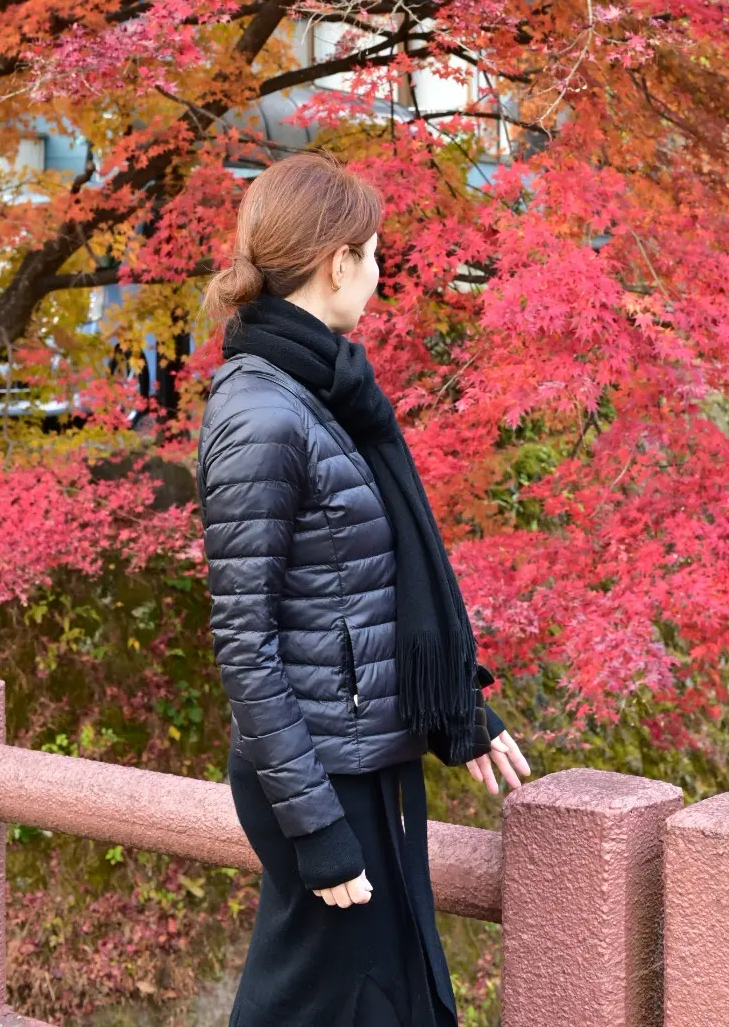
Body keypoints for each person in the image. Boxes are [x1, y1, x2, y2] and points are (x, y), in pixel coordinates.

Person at [197, 149, 531, 1027]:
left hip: (356, 755)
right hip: (319, 773)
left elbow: (357, 594)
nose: (380, 275)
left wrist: (457, 704)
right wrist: (315, 827)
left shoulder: (323, 391)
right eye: (373, 255)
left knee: (388, 994)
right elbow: (245, 643)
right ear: (336, 262)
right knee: (324, 1001)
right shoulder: (264, 414)